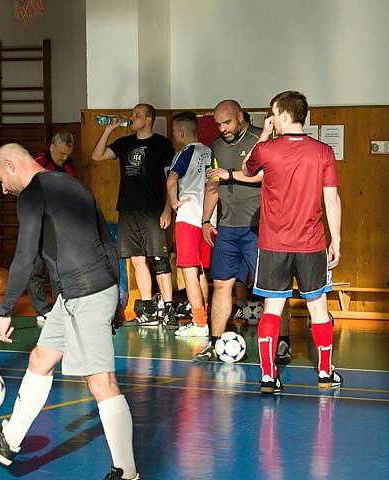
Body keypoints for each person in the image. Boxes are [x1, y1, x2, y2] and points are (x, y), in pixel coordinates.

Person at [0, 144, 144, 480]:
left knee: (101, 381)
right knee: (40, 360)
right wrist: (119, 294)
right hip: (81, 292)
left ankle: (127, 475)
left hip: (86, 292)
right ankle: (9, 441)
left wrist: (6, 308)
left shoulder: (32, 194)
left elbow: (25, 253)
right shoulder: (70, 184)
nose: (3, 189)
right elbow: (105, 241)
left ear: (12, 166)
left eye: (2, 180)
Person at [242, 91, 342, 392]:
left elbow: (248, 166)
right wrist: (336, 237)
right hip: (311, 244)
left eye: (273, 114)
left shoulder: (268, 149)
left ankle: (268, 375)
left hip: (274, 244)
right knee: (318, 306)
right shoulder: (323, 151)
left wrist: (266, 133)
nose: (270, 119)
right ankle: (325, 372)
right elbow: (332, 197)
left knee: (272, 308)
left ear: (284, 116)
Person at [195, 100, 291, 361]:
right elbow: (214, 183)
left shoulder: (261, 138)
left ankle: (282, 342)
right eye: (218, 124)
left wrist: (231, 174)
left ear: (240, 117)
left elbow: (264, 175)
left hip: (258, 227)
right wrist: (206, 220)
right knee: (221, 285)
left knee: (273, 288)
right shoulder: (216, 145)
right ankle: (214, 343)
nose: (223, 128)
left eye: (227, 122)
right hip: (227, 228)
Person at [91, 103, 176, 326]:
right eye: (132, 114)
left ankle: (168, 310)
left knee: (159, 258)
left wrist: (168, 208)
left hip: (153, 210)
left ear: (148, 119)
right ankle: (148, 310)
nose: (132, 118)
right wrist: (109, 129)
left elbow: (171, 180)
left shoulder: (161, 144)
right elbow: (97, 156)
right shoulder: (125, 143)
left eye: (137, 115)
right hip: (128, 210)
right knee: (137, 259)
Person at [166, 112, 214, 337]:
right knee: (201, 270)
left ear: (182, 133)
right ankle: (204, 319)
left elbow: (172, 179)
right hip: (208, 219)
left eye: (175, 132)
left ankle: (199, 323)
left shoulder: (184, 152)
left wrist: (174, 203)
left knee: (188, 271)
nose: (174, 136)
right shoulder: (210, 151)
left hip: (188, 217)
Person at [28, 131, 76, 326]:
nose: (64, 158)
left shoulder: (70, 166)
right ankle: (41, 309)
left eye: (68, 154)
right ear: (52, 147)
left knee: (57, 266)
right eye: (61, 153)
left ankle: (59, 307)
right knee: (35, 267)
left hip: (58, 222)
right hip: (36, 219)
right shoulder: (38, 161)